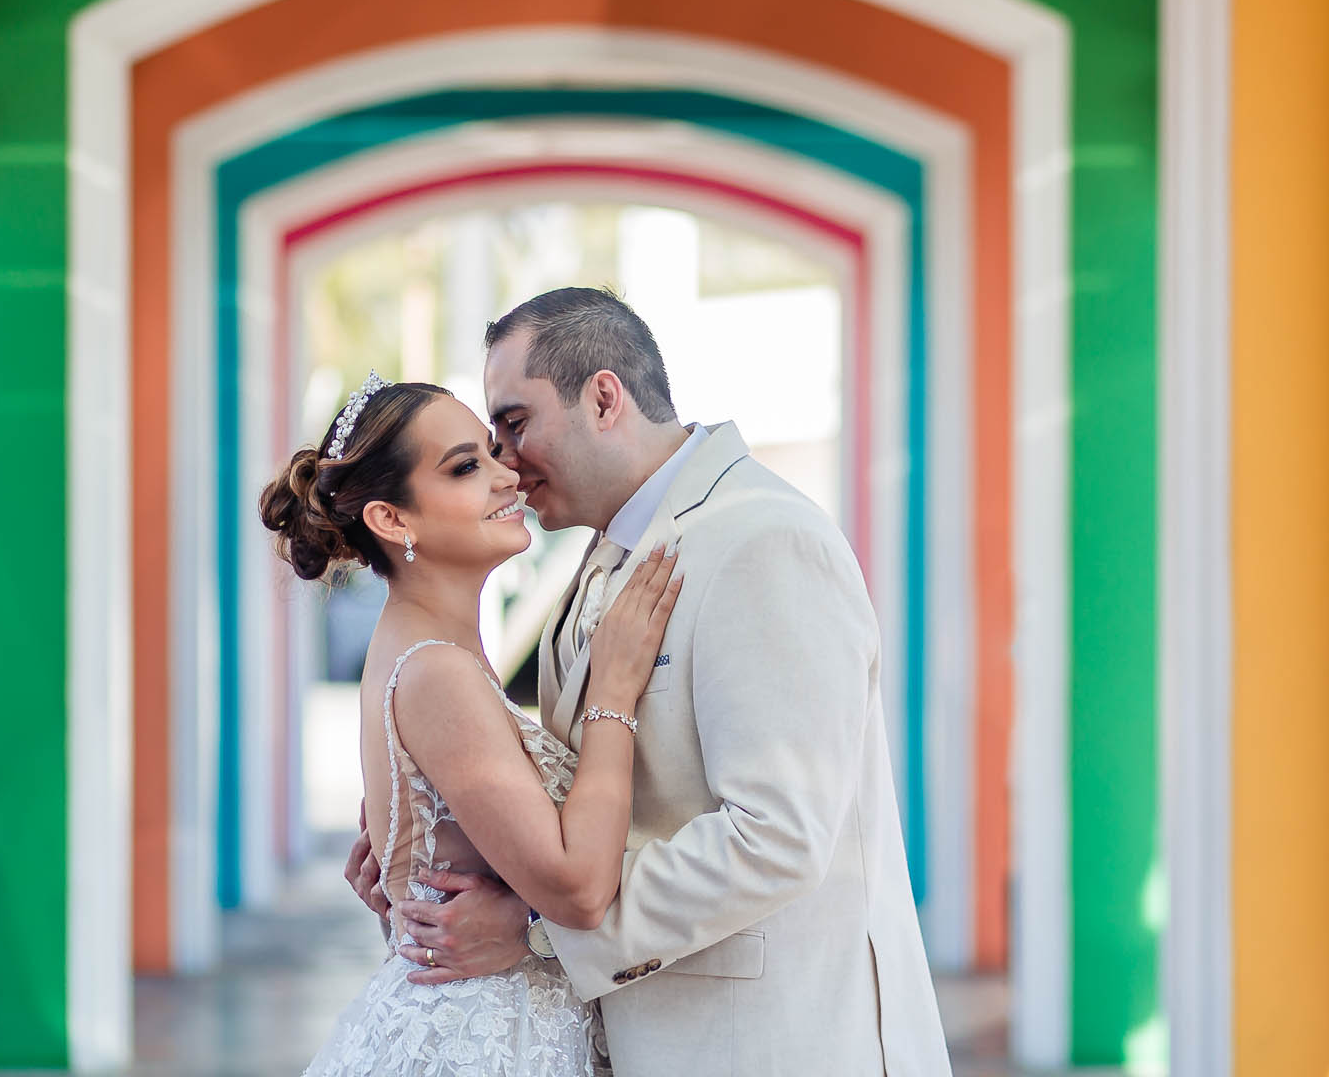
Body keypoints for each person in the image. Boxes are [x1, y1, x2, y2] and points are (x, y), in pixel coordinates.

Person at [343, 288, 953, 1077]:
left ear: (603, 398)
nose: (507, 465)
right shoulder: (595, 563)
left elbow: (778, 836)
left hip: (764, 1048)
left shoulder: (763, 541)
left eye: (515, 425)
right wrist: (431, 859)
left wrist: (536, 929)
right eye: (484, 447)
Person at [261, 372, 682, 1076]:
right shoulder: (434, 672)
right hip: (480, 1042)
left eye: (492, 452)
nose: (505, 475)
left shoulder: (434, 654)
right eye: (465, 467)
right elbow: (578, 887)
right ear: (393, 521)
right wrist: (613, 692)